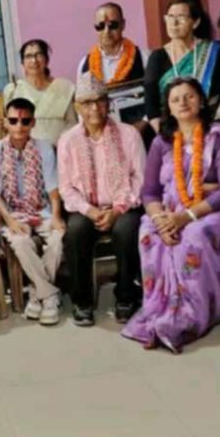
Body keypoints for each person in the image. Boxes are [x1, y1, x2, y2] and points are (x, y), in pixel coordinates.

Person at [122, 78, 220, 354]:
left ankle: (191, 318)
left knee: (194, 237)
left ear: (201, 101)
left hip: (213, 211)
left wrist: (186, 216)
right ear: (168, 108)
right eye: (175, 99)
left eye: (189, 96)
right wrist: (160, 220)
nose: (183, 103)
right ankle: (158, 313)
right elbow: (149, 192)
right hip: (170, 213)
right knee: (149, 234)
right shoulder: (161, 143)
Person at [57, 74, 146, 327]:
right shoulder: (68, 140)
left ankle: (126, 297)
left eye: (100, 101)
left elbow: (140, 179)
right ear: (77, 107)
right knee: (75, 231)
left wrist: (117, 210)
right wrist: (90, 211)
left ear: (108, 103)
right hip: (85, 208)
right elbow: (66, 188)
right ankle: (82, 301)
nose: (94, 108)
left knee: (127, 230)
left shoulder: (129, 134)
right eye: (87, 102)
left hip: (123, 206)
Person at [0, 98, 65, 325]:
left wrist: (56, 216)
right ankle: (49, 296)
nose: (19, 126)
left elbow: (53, 188)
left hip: (42, 210)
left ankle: (37, 294)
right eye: (13, 121)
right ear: (5, 122)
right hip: (11, 212)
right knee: (20, 242)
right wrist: (9, 221)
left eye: (25, 121)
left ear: (33, 123)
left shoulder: (44, 148)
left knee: (58, 238)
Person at [144, 0, 220, 131]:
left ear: (195, 22)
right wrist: (164, 135)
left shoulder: (214, 51)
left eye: (181, 17)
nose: (174, 23)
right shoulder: (157, 57)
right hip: (171, 131)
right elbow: (151, 105)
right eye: (170, 17)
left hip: (212, 126)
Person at [3, 39, 76, 146]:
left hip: (61, 149)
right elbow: (9, 126)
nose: (34, 60)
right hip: (26, 152)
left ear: (46, 60)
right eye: (28, 56)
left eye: (38, 55)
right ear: (22, 63)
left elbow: (72, 123)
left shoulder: (65, 87)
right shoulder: (13, 90)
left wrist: (60, 146)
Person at [76, 3, 146, 88]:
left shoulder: (143, 58)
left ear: (123, 25)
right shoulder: (84, 64)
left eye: (113, 25)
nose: (106, 31)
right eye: (100, 26)